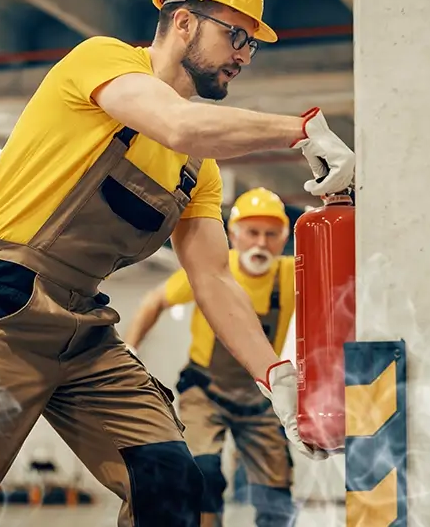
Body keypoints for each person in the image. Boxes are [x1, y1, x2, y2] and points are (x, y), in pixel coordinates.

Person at [0, 0, 349, 527]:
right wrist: (299, 131)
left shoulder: (197, 168)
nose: (243, 57)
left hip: (81, 324)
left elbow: (214, 278)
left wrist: (275, 375)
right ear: (183, 22)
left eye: (253, 44)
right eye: (236, 37)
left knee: (169, 480)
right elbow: (175, 122)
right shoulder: (103, 62)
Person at [123, 187, 300, 527]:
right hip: (206, 391)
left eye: (270, 234)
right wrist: (130, 349)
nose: (260, 243)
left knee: (274, 491)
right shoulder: (214, 270)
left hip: (262, 396)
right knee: (202, 473)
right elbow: (154, 300)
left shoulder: (292, 276)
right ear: (233, 234)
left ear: (284, 237)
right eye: (252, 232)